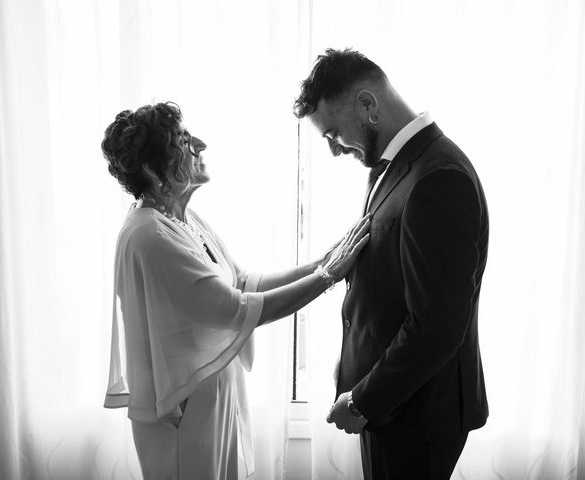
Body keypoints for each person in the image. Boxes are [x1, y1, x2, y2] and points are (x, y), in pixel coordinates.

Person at [100, 102, 370, 480]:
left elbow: (242, 281)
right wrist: (328, 275)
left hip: (210, 406)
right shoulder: (151, 235)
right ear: (151, 168)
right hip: (184, 417)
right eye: (183, 140)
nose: (200, 144)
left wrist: (321, 261)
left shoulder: (180, 218)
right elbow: (234, 307)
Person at [294, 49, 489, 480]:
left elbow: (436, 325)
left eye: (332, 134)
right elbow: (389, 290)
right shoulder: (397, 167)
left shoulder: (438, 177)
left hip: (417, 416)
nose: (333, 149)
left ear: (367, 105)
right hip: (395, 407)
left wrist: (364, 399)